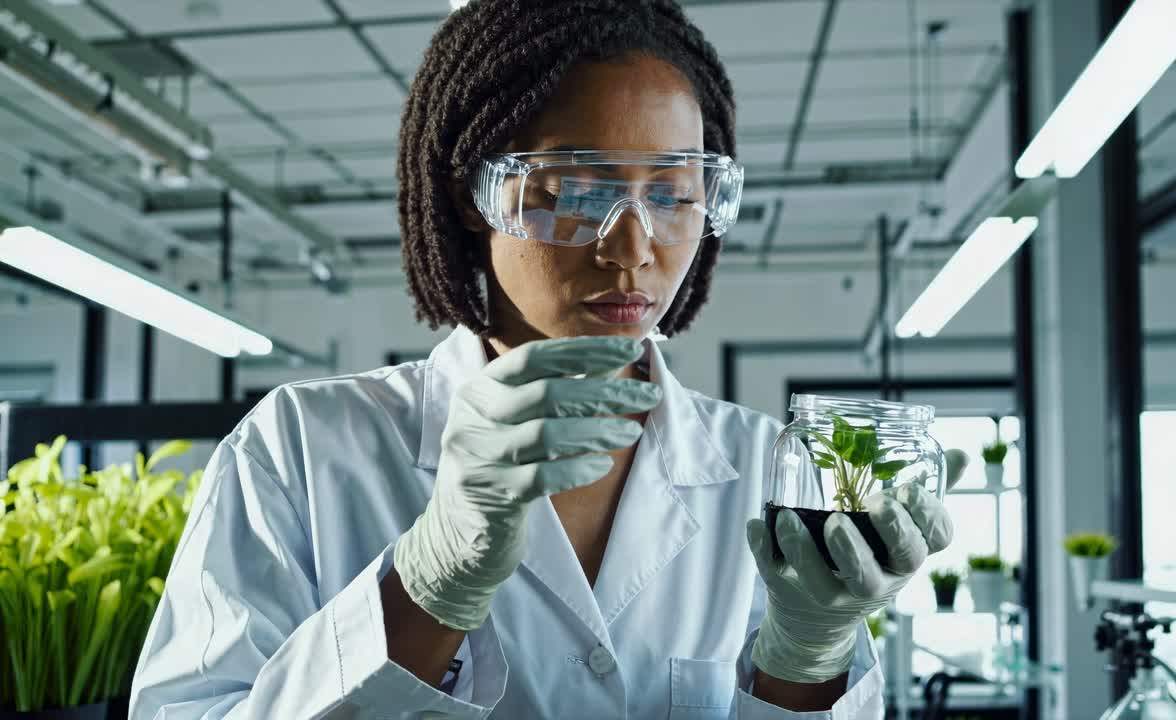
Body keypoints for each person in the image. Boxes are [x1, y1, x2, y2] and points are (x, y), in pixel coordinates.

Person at [129, 1, 953, 718]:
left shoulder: (760, 466)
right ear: (474, 193)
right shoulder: (304, 447)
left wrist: (807, 654)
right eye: (576, 191)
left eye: (673, 195)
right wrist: (428, 581)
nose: (631, 249)